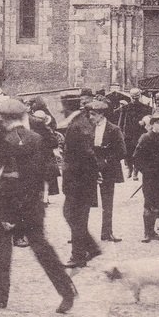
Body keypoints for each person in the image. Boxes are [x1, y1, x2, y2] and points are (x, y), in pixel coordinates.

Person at [0, 99, 76, 313]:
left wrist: (11, 182)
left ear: (3, 119)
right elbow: (49, 173)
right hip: (32, 203)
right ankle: (67, 292)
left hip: (8, 203)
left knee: (1, 250)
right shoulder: (37, 138)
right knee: (42, 249)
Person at [60, 97, 102, 268]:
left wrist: (93, 172)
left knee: (73, 215)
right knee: (75, 215)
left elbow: (87, 154)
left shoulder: (78, 126)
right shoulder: (81, 123)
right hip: (81, 179)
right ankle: (89, 249)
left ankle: (79, 255)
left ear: (67, 109)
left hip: (79, 180)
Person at [89, 99, 127, 243]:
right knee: (85, 202)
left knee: (107, 203)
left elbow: (122, 151)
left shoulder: (114, 129)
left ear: (101, 114)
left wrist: (106, 161)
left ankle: (107, 232)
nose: (91, 117)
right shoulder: (88, 128)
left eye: (93, 114)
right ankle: (81, 235)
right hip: (90, 167)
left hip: (108, 169)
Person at [133, 112, 159, 243]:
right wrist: (146, 170)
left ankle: (152, 231)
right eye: (158, 123)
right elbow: (137, 158)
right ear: (152, 124)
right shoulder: (145, 138)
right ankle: (147, 232)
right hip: (150, 178)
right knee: (149, 203)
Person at [117, 88, 152, 181]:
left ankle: (135, 171)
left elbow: (150, 119)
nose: (135, 99)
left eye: (136, 97)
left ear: (140, 96)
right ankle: (130, 168)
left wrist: (145, 121)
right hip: (128, 134)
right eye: (133, 97)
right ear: (130, 97)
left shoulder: (146, 108)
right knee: (127, 154)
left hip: (139, 134)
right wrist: (120, 133)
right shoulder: (125, 108)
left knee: (138, 153)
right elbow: (120, 122)